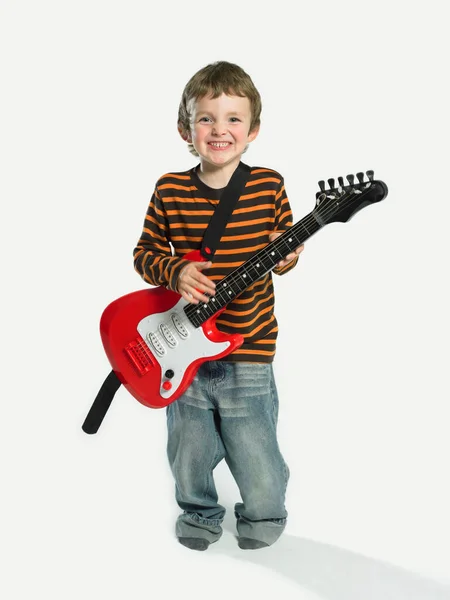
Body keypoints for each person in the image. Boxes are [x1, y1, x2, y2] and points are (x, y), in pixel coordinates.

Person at [133, 61, 304, 551]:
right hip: (181, 348)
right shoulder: (170, 189)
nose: (219, 129)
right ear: (185, 127)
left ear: (252, 130)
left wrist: (288, 255)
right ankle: (200, 513)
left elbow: (282, 253)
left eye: (233, 118)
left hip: (248, 344)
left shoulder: (269, 185)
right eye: (206, 117)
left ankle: (265, 516)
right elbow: (144, 255)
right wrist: (175, 271)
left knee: (256, 451)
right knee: (188, 447)